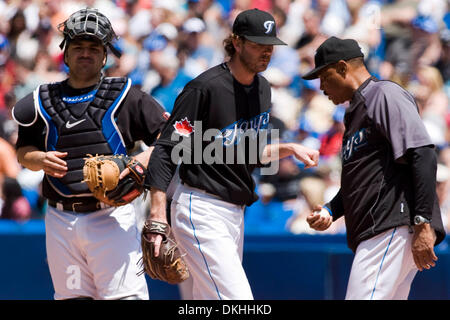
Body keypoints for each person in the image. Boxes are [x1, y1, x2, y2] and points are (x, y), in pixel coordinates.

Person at [144, 8, 319, 300]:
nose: (266, 53)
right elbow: (167, 151)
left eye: (270, 46)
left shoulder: (262, 88)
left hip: (235, 213)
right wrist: (157, 215)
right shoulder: (205, 89)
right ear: (236, 43)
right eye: (257, 45)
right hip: (200, 208)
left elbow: (249, 151)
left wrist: (289, 148)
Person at [12, 8, 167, 300]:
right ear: (65, 54)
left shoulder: (127, 94)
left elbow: (172, 139)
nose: (85, 53)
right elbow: (23, 151)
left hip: (112, 216)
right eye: (78, 47)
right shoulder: (41, 99)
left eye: (94, 48)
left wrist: (141, 161)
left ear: (105, 55)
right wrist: (37, 159)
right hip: (60, 217)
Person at [304, 36, 446, 300]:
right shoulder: (356, 111)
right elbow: (361, 180)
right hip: (380, 229)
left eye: (324, 76)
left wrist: (422, 221)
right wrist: (330, 210)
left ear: (343, 68)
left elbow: (423, 154)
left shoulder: (382, 94)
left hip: (390, 225)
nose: (321, 86)